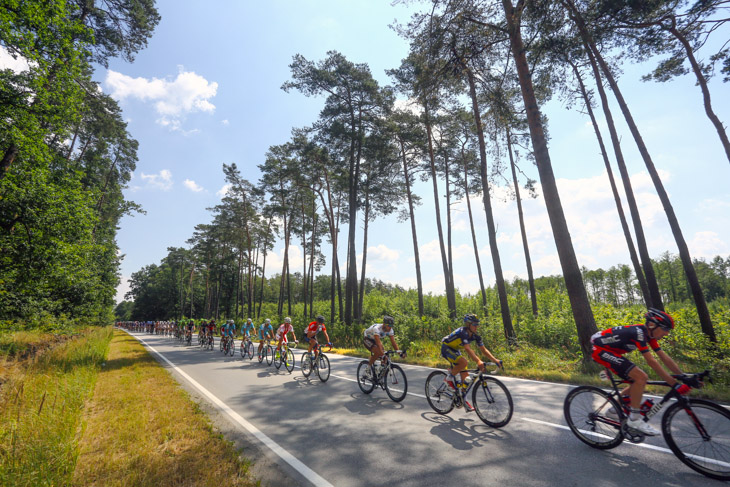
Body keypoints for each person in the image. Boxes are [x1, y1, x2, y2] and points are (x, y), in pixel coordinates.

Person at [591, 307, 700, 436]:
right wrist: (674, 384)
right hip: (599, 349)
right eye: (665, 329)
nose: (666, 334)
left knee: (639, 380)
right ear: (652, 325)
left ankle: (613, 410)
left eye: (668, 330)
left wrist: (683, 376)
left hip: (612, 351)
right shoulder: (639, 333)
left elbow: (663, 357)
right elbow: (652, 361)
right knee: (641, 377)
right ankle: (635, 419)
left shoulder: (650, 335)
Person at [441, 314, 502, 412]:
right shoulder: (463, 333)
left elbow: (483, 350)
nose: (476, 327)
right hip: (446, 348)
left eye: (477, 324)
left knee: (466, 380)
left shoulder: (475, 336)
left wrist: (495, 360)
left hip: (455, 350)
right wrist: (478, 361)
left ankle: (462, 400)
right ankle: (449, 378)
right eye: (474, 324)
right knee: (464, 362)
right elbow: (468, 349)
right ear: (468, 324)